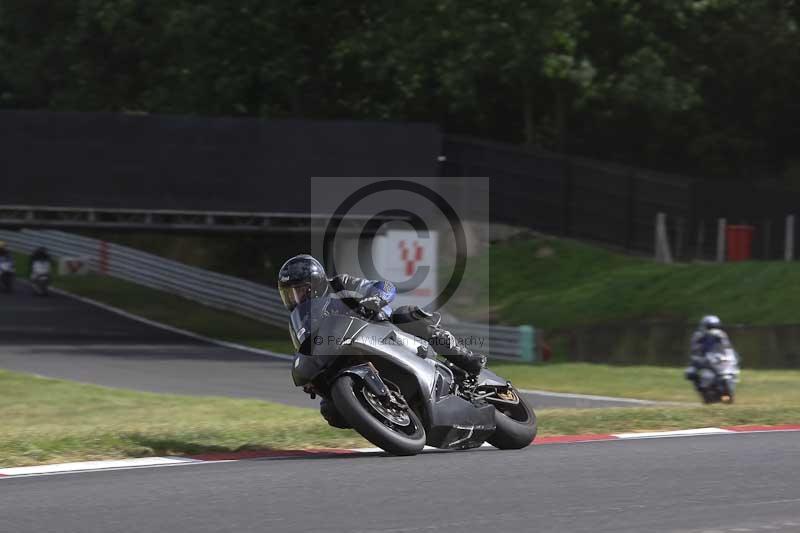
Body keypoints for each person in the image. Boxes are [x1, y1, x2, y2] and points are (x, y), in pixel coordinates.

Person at [277, 254, 487, 427]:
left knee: (408, 314)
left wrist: (374, 298)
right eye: (289, 294)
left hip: (380, 329)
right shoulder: (300, 319)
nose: (296, 299)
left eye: (300, 290)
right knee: (329, 409)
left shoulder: (341, 284)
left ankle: (466, 360)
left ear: (317, 283)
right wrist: (311, 377)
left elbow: (384, 286)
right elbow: (305, 349)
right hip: (344, 355)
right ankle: (384, 418)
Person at [685, 315, 731, 389]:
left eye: (714, 327)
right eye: (710, 327)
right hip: (702, 359)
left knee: (725, 371)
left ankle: (722, 385)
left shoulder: (721, 335)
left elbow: (726, 347)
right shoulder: (698, 335)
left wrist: (725, 356)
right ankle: (701, 388)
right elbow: (694, 348)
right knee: (690, 372)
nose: (712, 329)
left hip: (716, 359)